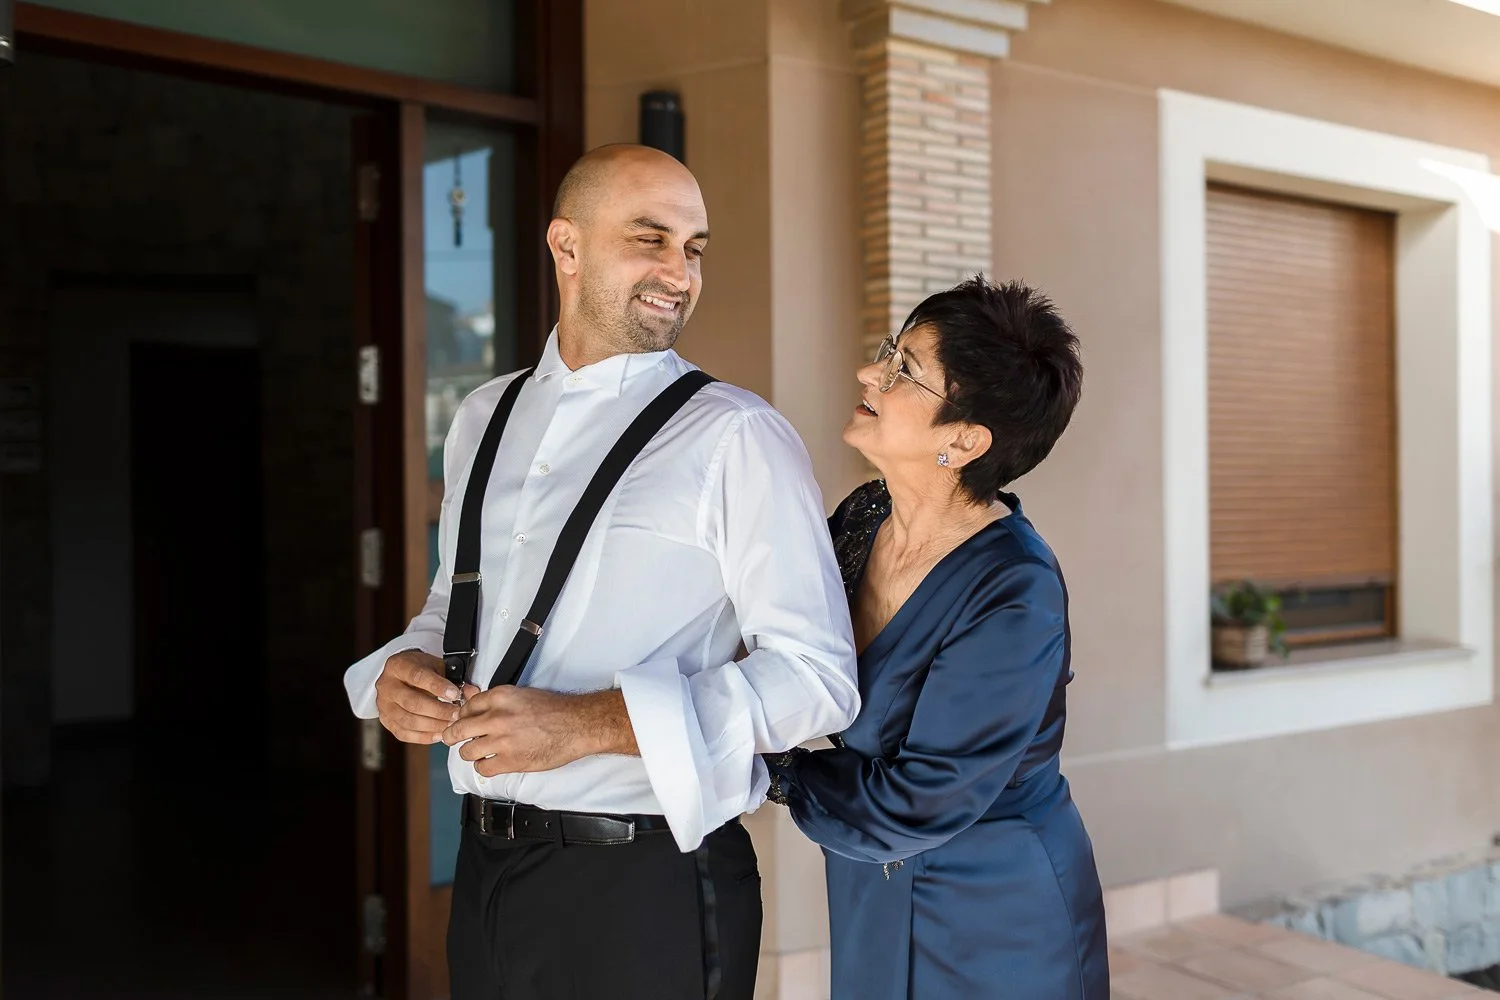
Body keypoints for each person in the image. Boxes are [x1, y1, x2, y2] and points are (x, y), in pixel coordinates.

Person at [343, 144, 859, 1000]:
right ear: (566, 246)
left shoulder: (737, 435)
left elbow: (818, 678)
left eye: (693, 249)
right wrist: (403, 669)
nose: (679, 272)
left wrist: (590, 725)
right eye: (649, 238)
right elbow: (457, 606)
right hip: (485, 873)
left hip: (644, 885)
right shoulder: (482, 416)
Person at [763, 276, 1109, 999]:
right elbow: (777, 641)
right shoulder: (864, 517)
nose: (870, 371)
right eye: (889, 351)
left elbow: (918, 801)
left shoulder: (1015, 591)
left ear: (964, 439)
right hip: (872, 880)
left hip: (995, 915)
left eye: (904, 369)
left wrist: (762, 766)